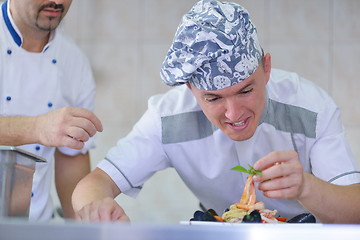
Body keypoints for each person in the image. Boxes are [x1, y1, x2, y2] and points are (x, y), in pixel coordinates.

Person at [72, 0, 360, 223]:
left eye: (246, 91)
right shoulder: (168, 118)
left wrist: (307, 188)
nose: (234, 114)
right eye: (213, 98)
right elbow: (94, 184)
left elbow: (355, 211)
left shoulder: (310, 108)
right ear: (190, 89)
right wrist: (99, 209)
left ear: (267, 69)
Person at [0, 0, 103, 221]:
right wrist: (36, 128)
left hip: (36, 225)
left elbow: (71, 162)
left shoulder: (75, 62)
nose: (57, 1)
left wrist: (84, 230)